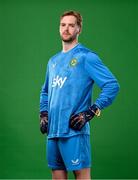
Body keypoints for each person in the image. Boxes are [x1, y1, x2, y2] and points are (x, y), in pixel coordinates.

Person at [39, 10, 120, 180]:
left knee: (81, 176)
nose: (66, 29)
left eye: (71, 25)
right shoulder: (52, 61)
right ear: (59, 28)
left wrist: (92, 111)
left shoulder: (86, 57)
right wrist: (43, 113)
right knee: (57, 176)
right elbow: (45, 91)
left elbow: (112, 85)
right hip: (53, 132)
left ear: (79, 29)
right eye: (63, 25)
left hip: (74, 131)